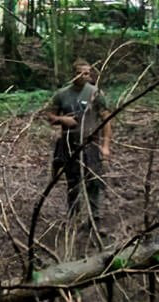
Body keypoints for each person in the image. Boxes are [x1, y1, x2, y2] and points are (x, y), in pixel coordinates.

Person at [44, 59, 112, 220]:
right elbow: (50, 116)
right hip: (69, 145)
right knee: (73, 182)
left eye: (87, 73)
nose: (83, 76)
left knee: (94, 181)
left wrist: (105, 146)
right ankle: (73, 217)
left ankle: (94, 218)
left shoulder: (96, 93)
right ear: (73, 74)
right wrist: (62, 120)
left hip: (91, 144)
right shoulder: (62, 94)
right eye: (79, 73)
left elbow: (107, 120)